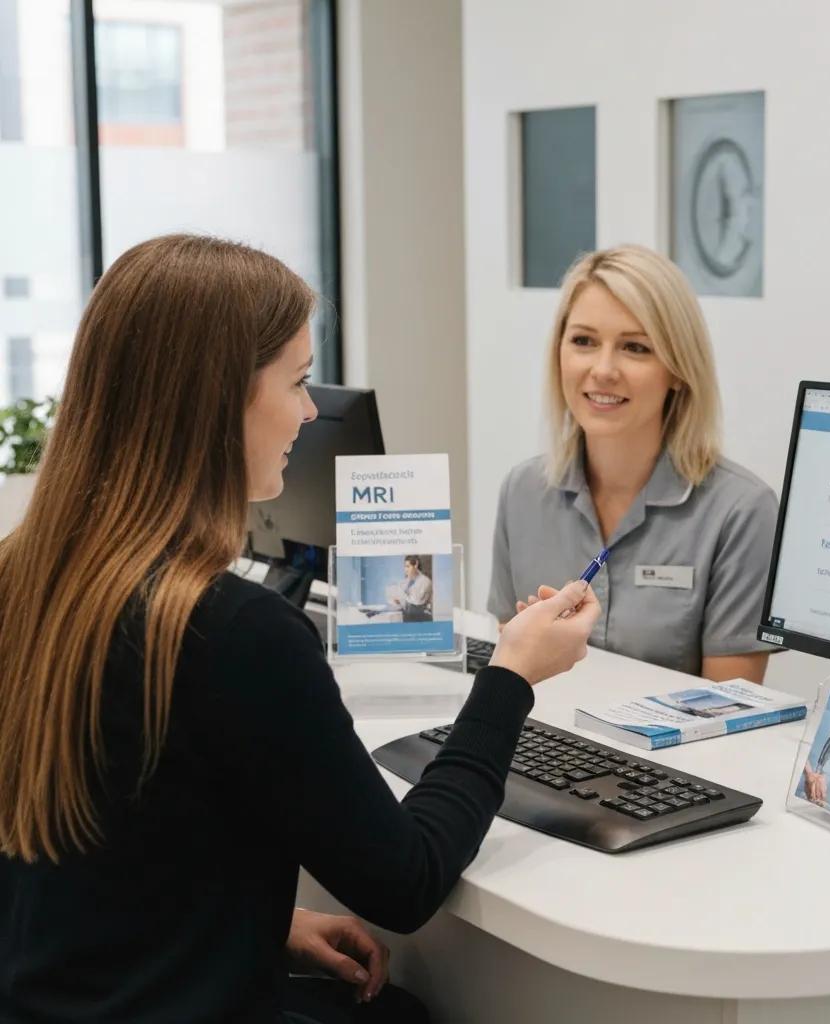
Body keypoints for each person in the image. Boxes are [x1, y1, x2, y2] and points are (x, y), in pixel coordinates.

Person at [0, 234, 600, 1024]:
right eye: (298, 380)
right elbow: (407, 879)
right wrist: (510, 677)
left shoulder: (24, 578)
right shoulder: (233, 631)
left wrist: (263, 923)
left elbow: (95, 851)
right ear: (220, 401)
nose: (311, 411)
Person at [488, 244, 777, 683]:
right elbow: (507, 676)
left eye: (635, 347)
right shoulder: (522, 491)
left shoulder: (742, 511)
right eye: (584, 341)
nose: (603, 370)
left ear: (678, 368)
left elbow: (728, 711)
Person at [389, 555, 433, 622]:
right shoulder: (408, 581)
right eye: (405, 566)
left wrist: (402, 596)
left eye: (408, 566)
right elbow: (406, 602)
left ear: (416, 565)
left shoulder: (425, 581)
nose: (405, 569)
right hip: (408, 619)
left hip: (421, 620)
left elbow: (417, 601)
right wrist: (399, 601)